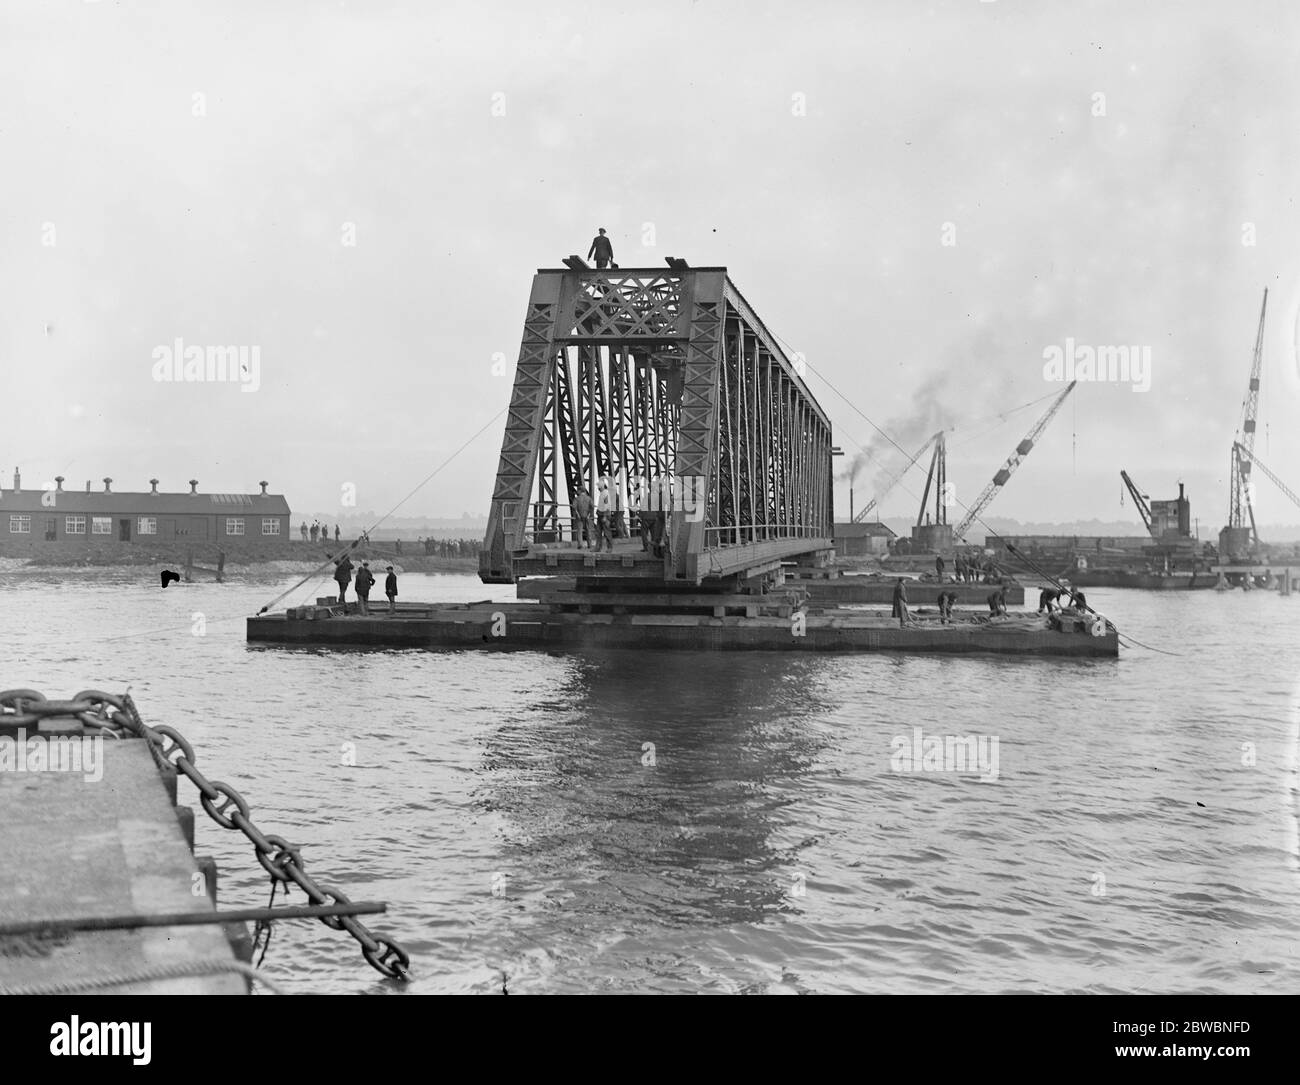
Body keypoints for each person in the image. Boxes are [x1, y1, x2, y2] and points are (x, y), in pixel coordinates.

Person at [596, 480, 614, 552]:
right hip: (600, 514)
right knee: (598, 532)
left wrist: (605, 516)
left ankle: (609, 547)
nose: (598, 487)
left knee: (607, 532)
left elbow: (607, 505)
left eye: (599, 486)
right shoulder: (603, 493)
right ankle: (598, 547)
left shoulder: (605, 493)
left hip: (604, 515)